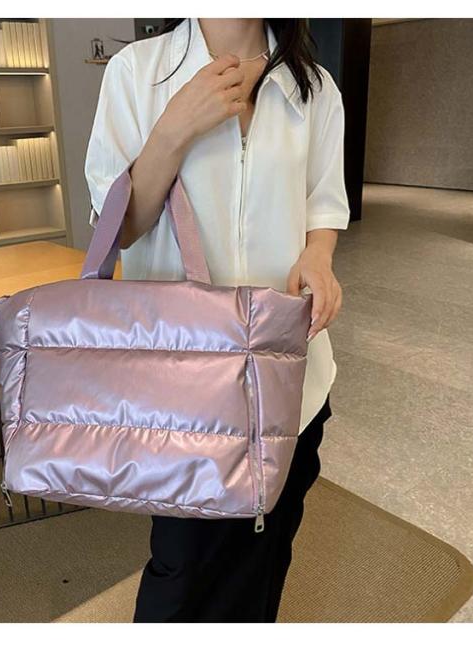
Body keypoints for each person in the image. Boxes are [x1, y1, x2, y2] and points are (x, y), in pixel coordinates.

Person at [84, 18, 350, 622]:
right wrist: (174, 128)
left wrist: (319, 256)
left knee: (266, 558)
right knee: (182, 569)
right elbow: (119, 228)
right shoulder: (139, 72)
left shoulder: (313, 87)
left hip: (292, 376)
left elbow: (323, 205)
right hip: (183, 393)